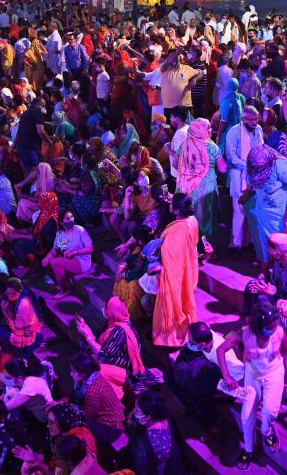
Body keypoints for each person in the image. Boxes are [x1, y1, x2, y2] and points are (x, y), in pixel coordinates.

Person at [218, 299, 287, 470]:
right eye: (270, 326)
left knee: (269, 412)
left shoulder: (279, 332)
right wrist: (226, 376)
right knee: (247, 414)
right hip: (253, 375)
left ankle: (267, 431)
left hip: (274, 374)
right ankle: (248, 449)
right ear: (258, 325)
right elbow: (221, 349)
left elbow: (286, 352)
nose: (274, 328)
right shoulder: (245, 333)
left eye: (275, 324)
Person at [241, 145, 287, 263]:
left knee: (281, 247)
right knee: (265, 245)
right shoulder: (252, 167)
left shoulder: (280, 167)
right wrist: (245, 196)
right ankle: (267, 271)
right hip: (263, 213)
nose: (258, 169)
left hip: (279, 215)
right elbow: (250, 185)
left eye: (261, 167)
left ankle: (282, 274)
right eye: (255, 167)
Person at [76, 296, 146, 399]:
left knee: (93, 368)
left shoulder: (120, 331)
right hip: (116, 361)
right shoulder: (116, 323)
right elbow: (105, 347)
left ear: (112, 311)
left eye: (106, 307)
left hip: (127, 373)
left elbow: (102, 355)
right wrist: (88, 332)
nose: (104, 309)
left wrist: (87, 336)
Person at [153, 194, 200, 347]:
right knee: (186, 298)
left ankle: (174, 336)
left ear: (176, 209)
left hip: (178, 269)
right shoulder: (192, 220)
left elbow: (169, 252)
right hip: (189, 264)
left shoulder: (179, 228)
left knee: (177, 300)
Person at [174, 117, 226, 240]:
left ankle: (190, 246)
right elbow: (223, 168)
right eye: (208, 127)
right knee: (206, 219)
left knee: (188, 218)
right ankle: (206, 250)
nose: (210, 129)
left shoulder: (185, 144)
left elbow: (175, 163)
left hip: (186, 188)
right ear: (201, 130)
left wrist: (189, 173)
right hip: (205, 189)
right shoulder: (211, 146)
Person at [225, 105, 264, 251]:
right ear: (243, 119)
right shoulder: (234, 132)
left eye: (256, 118)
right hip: (240, 176)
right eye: (251, 119)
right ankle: (235, 245)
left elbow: (261, 149)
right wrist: (249, 166)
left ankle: (250, 242)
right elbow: (232, 157)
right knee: (239, 212)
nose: (255, 122)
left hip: (256, 178)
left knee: (254, 211)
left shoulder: (259, 130)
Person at [127, 390, 183, 475]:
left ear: (148, 417)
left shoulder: (146, 446)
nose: (134, 411)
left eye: (137, 410)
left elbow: (141, 468)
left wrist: (130, 425)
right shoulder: (163, 415)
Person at [41, 211, 94, 295]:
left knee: (54, 262)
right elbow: (55, 249)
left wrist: (75, 252)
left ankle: (64, 290)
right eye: (68, 218)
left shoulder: (80, 230)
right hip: (68, 259)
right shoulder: (60, 233)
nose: (71, 219)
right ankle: (62, 285)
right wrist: (47, 257)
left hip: (81, 261)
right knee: (46, 262)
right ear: (61, 222)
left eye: (72, 217)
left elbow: (91, 248)